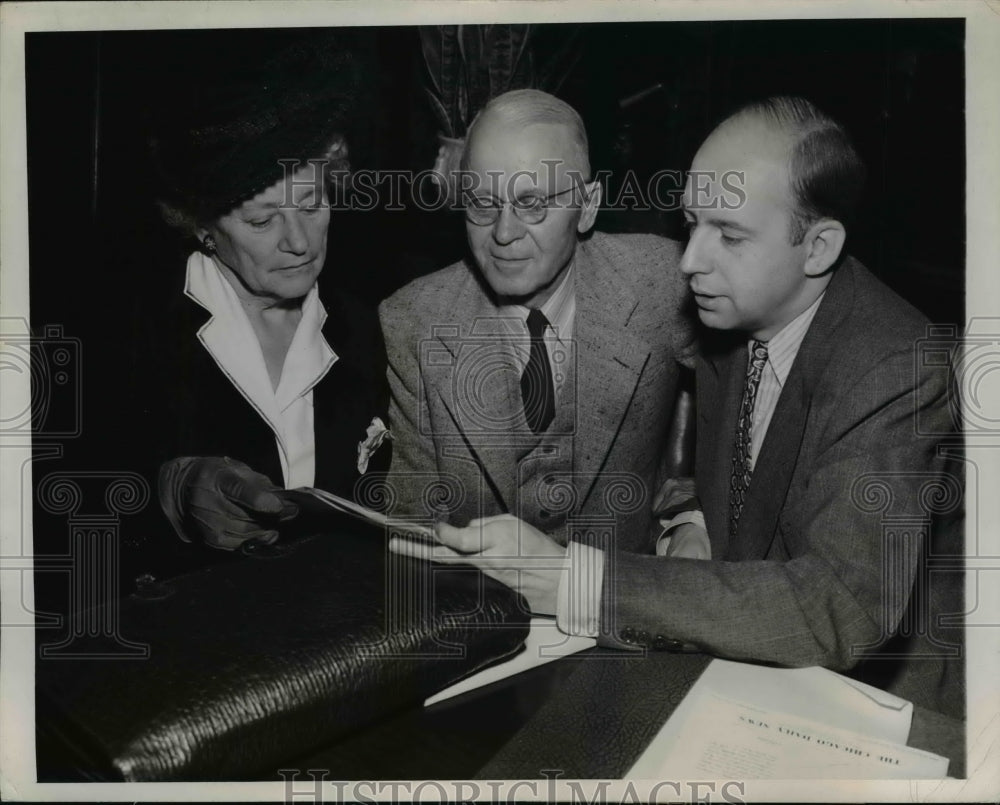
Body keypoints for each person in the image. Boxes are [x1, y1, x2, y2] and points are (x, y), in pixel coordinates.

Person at [397, 95, 964, 719]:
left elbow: (841, 608)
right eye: (692, 224)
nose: (689, 261)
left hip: (882, 714)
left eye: (730, 234)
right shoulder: (735, 313)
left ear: (819, 247)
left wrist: (573, 579)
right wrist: (692, 520)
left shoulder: (897, 366)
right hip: (741, 673)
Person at [382, 88, 699, 609]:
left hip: (632, 612)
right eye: (483, 203)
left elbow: (755, 405)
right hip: (483, 621)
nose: (503, 233)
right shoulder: (414, 320)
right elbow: (412, 532)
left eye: (531, 204)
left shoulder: (663, 283)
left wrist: (694, 518)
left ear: (587, 207)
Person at [145, 40, 391, 558]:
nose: (299, 242)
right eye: (261, 221)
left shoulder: (370, 329)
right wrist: (170, 491)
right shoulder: (132, 330)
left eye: (312, 205)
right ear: (201, 225)